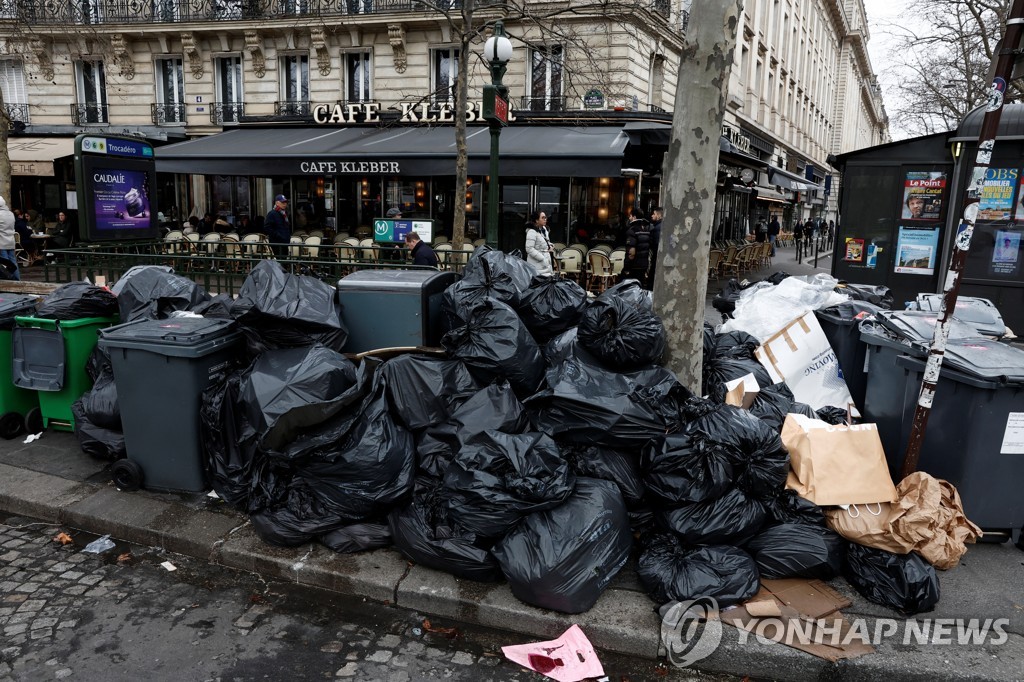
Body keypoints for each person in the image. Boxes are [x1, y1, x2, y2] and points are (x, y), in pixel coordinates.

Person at [624, 206, 654, 289]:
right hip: (644, 264)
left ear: (634, 217)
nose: (629, 218)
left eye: (630, 216)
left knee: (631, 288)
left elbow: (631, 252)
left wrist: (626, 266)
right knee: (640, 287)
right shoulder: (647, 230)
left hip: (634, 265)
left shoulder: (632, 230)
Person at [524, 210, 554, 276]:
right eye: (543, 218)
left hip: (546, 264)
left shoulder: (544, 229)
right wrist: (542, 258)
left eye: (545, 217)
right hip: (537, 265)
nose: (545, 219)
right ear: (537, 220)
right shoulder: (532, 231)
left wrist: (550, 246)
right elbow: (529, 249)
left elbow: (544, 241)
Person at [0, 197, 19, 281]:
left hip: (1, 242)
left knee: (5, 264)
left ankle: (9, 281)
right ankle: (17, 281)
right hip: (11, 241)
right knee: (13, 263)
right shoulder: (10, 213)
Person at [649, 206, 664, 281]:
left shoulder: (657, 228)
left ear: (658, 215)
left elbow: (656, 244)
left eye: (654, 214)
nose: (652, 215)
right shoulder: (662, 226)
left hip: (657, 257)